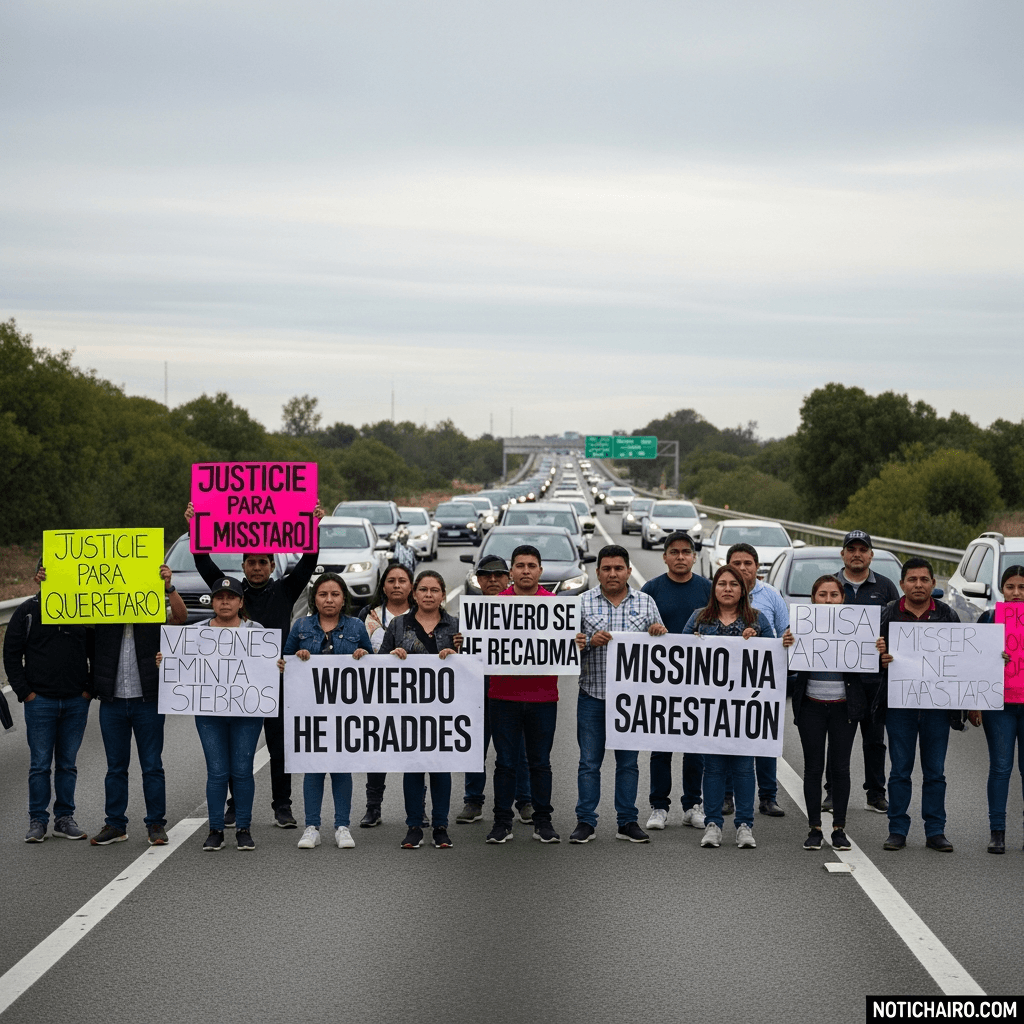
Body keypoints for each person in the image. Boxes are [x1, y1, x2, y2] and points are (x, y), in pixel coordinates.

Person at [184, 499, 325, 829]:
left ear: (272, 565)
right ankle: (234, 805)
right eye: (252, 562)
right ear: (243, 565)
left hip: (276, 681)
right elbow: (203, 562)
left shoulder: (286, 590)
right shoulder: (232, 594)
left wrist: (312, 526)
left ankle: (282, 805)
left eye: (263, 562)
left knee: (279, 747)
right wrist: (195, 525)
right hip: (234, 685)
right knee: (237, 752)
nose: (257, 568)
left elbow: (308, 562)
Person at [158, 576, 266, 852]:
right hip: (209, 712)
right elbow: (182, 668)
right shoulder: (195, 633)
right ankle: (216, 828)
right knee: (217, 772)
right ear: (212, 602)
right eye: (220, 597)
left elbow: (263, 673)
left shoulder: (258, 631)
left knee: (242, 771)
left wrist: (275, 666)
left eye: (231, 597)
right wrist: (167, 660)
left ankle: (243, 828)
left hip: (248, 712)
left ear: (241, 602)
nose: (225, 601)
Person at [783, 575, 887, 852]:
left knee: (840, 768)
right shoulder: (799, 626)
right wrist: (786, 645)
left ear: (843, 599)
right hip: (811, 707)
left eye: (834, 595)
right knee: (813, 768)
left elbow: (871, 667)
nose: (828, 600)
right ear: (813, 599)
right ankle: (815, 828)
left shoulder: (858, 627)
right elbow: (788, 669)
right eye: (822, 595)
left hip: (845, 707)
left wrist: (877, 651)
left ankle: (839, 828)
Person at [570, 545, 666, 844]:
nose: (613, 573)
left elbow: (663, 652)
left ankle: (627, 821)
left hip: (631, 702)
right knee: (589, 763)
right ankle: (586, 821)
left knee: (628, 763)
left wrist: (659, 633)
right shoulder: (582, 603)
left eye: (618, 568)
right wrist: (586, 644)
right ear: (597, 572)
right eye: (607, 568)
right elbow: (564, 651)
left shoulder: (646, 603)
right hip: (593, 695)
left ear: (628, 570)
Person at [87, 564, 188, 846]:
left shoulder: (154, 614)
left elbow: (181, 616)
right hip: (112, 701)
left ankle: (156, 824)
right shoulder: (102, 615)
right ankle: (115, 825)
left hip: (148, 701)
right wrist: (54, 582)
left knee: (152, 765)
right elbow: (69, 609)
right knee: (115, 768)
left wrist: (168, 587)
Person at [682, 565, 773, 850]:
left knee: (745, 768)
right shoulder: (699, 619)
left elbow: (775, 660)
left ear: (742, 590)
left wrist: (758, 642)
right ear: (714, 589)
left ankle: (745, 825)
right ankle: (713, 824)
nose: (728, 589)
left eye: (734, 584)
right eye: (722, 583)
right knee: (714, 768)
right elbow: (677, 652)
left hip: (746, 709)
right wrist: (692, 644)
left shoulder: (758, 620)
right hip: (709, 708)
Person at [281, 573, 371, 851]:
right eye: (323, 594)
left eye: (335, 594)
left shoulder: (356, 626)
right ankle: (312, 827)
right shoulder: (301, 626)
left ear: (344, 598)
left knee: (341, 767)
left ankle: (342, 826)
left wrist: (363, 656)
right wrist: (295, 660)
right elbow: (284, 663)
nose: (329, 599)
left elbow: (375, 668)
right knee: (314, 768)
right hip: (310, 712)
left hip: (346, 712)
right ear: (314, 599)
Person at [4, 561, 92, 843]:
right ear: (40, 575)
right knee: (40, 764)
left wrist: (89, 690)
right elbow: (10, 655)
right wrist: (25, 693)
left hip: (76, 700)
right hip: (39, 701)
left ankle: (64, 818)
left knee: (67, 764)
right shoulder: (27, 611)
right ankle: (37, 821)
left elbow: (99, 649)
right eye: (48, 570)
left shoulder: (84, 610)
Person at [879, 558, 962, 853]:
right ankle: (897, 830)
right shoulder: (888, 615)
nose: (918, 585)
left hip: (936, 708)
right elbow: (869, 658)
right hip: (899, 706)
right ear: (902, 584)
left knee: (935, 771)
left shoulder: (947, 615)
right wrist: (881, 659)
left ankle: (935, 831)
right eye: (912, 580)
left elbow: (962, 661)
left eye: (924, 580)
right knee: (900, 769)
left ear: (933, 584)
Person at [380, 570, 463, 850]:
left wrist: (458, 656)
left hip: (445, 710)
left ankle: (440, 826)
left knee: (441, 768)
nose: (428, 595)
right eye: (423, 590)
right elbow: (379, 666)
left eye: (435, 590)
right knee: (413, 767)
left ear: (442, 595)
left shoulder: (456, 627)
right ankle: (414, 826)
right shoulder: (398, 626)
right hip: (408, 710)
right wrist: (393, 657)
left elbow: (472, 668)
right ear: (414, 594)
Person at [485, 546, 560, 844]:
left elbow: (566, 648)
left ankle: (543, 821)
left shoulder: (556, 606)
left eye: (531, 565)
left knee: (540, 762)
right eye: (520, 565)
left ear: (540, 571)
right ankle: (502, 822)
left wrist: (575, 641)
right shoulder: (493, 607)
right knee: (505, 763)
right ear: (511, 573)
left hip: (543, 698)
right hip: (503, 696)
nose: (526, 570)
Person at [640, 532, 711, 831]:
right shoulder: (651, 589)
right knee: (661, 747)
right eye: (674, 552)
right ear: (665, 556)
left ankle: (692, 804)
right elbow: (636, 632)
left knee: (695, 747)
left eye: (686, 552)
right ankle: (659, 806)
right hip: (662, 682)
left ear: (694, 557)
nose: (680, 557)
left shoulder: (709, 589)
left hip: (700, 681)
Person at [456, 555, 533, 826]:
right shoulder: (467, 615)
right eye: (486, 575)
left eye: (498, 575)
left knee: (517, 747)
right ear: (477, 580)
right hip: (476, 689)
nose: (492, 580)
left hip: (512, 688)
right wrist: (458, 643)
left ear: (507, 577)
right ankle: (473, 800)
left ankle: (524, 801)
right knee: (475, 746)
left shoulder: (526, 610)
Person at [827, 529, 900, 815]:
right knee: (838, 739)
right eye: (851, 549)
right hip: (839, 678)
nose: (857, 554)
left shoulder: (886, 588)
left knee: (874, 739)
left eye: (862, 549)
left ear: (870, 555)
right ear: (843, 554)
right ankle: (833, 792)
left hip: (874, 679)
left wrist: (888, 651)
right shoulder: (831, 587)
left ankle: (875, 792)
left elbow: (899, 628)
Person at [726, 543, 789, 817]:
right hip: (725, 685)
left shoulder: (772, 597)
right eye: (736, 563)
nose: (742, 569)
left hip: (762, 683)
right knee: (727, 741)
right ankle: (727, 797)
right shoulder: (718, 594)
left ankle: (768, 797)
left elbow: (786, 634)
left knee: (763, 740)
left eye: (747, 563)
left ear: (756, 567)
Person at [968, 565, 1024, 853]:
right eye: (1010, 587)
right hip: (998, 704)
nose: (1016, 593)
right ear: (1002, 589)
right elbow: (975, 662)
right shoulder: (989, 619)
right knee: (1001, 768)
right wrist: (974, 703)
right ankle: (997, 831)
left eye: (1022, 587)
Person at [357, 562, 414, 827]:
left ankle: (417, 809)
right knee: (377, 751)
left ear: (411, 586)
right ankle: (373, 808)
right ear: (383, 586)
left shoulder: (426, 613)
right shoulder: (366, 616)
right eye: (391, 581)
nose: (396, 586)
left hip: (416, 698)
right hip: (377, 696)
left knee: (415, 753)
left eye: (402, 581)